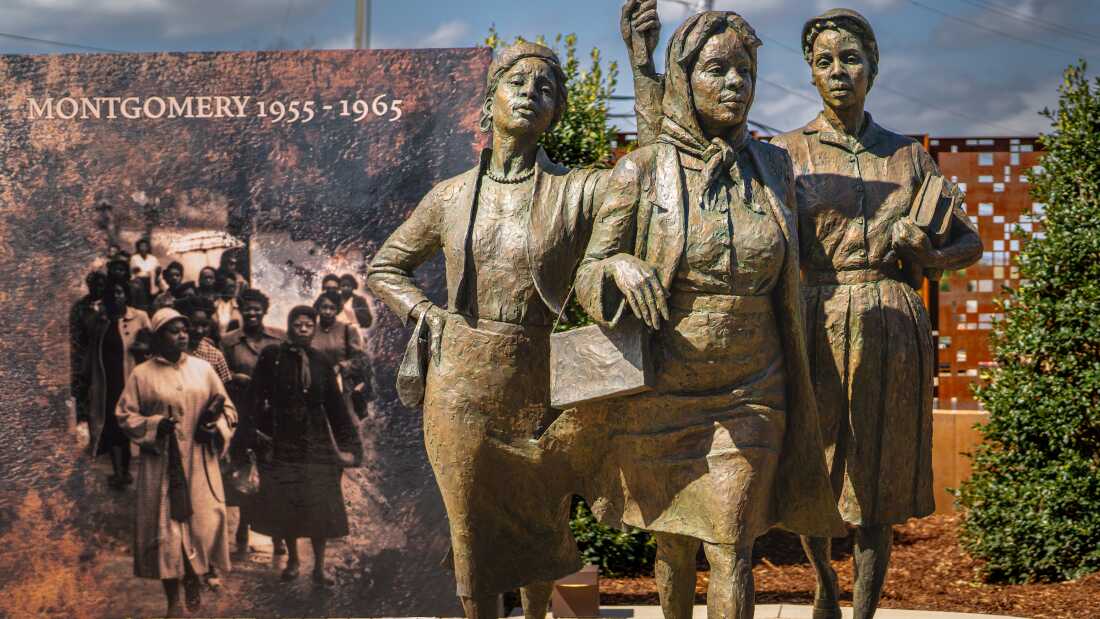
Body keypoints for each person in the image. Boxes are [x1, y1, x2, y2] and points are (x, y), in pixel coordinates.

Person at [368, 6, 661, 613]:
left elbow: (649, 167)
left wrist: (640, 61)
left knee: (543, 534)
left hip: (539, 385)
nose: (531, 93)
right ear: (489, 101)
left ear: (555, 112)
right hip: (458, 387)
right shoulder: (450, 196)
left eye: (546, 87)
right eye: (518, 82)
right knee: (472, 538)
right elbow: (385, 267)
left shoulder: (578, 189)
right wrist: (427, 315)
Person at [569, 11, 843, 618]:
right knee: (673, 541)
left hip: (753, 388)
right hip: (663, 389)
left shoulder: (773, 169)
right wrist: (619, 268)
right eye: (716, 69)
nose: (734, 83)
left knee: (731, 539)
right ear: (684, 79)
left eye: (744, 71)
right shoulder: (641, 170)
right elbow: (589, 272)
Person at [768, 10, 983, 619]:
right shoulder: (787, 153)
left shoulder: (908, 156)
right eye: (825, 61)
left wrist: (928, 253)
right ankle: (824, 585)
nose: (839, 71)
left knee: (879, 477)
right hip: (815, 317)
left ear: (874, 68)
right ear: (811, 74)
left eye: (852, 58)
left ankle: (863, 608)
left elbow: (969, 242)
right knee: (817, 468)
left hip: (891, 323)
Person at [115, 308, 237, 617]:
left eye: (185, 330)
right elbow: (125, 415)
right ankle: (173, 602)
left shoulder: (203, 369)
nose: (182, 335)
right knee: (166, 533)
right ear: (159, 336)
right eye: (173, 330)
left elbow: (229, 411)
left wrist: (215, 427)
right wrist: (155, 426)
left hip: (199, 460)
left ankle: (195, 576)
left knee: (203, 524)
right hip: (161, 465)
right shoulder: (142, 374)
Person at [249, 306, 363, 586]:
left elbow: (336, 407)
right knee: (288, 501)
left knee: (320, 503)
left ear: (313, 329)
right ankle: (293, 560)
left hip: (316, 440)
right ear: (289, 326)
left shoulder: (320, 360)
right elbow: (255, 397)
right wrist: (255, 434)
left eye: (308, 325)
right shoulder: (272, 357)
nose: (303, 329)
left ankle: (319, 567)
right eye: (297, 324)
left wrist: (351, 446)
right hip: (284, 438)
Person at [220, 288, 285, 557]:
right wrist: (236, 377)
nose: (253, 313)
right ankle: (242, 532)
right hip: (242, 414)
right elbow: (220, 377)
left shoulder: (278, 338)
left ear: (264, 310)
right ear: (241, 310)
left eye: (257, 308)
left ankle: (279, 536)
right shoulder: (228, 341)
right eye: (248, 308)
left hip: (271, 416)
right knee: (245, 473)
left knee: (274, 475)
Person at [81, 275, 152, 488]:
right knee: (112, 424)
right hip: (108, 382)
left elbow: (151, 344)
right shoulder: (99, 321)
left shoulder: (140, 317)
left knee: (130, 421)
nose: (115, 297)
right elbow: (91, 352)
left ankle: (130, 468)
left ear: (126, 295)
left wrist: (143, 348)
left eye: (119, 292)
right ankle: (119, 471)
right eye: (111, 294)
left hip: (132, 379)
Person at [312, 290, 370, 419]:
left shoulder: (347, 330)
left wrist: (342, 366)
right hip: (317, 387)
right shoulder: (311, 330)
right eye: (324, 307)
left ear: (338, 310)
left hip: (344, 388)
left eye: (332, 308)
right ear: (318, 308)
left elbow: (361, 360)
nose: (327, 311)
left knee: (345, 425)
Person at [70, 271, 107, 426]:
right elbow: (75, 335)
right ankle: (85, 422)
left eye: (101, 285)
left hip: (107, 353)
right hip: (86, 354)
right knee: (85, 388)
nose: (97, 289)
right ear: (88, 286)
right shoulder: (80, 307)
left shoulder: (110, 305)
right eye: (94, 285)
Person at [175, 296, 232, 383]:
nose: (199, 331)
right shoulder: (172, 351)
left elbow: (225, 388)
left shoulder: (215, 356)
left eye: (204, 325)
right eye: (194, 324)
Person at [213, 269, 242, 334]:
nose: (232, 290)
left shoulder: (238, 305)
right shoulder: (214, 304)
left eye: (233, 287)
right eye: (229, 287)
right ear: (222, 287)